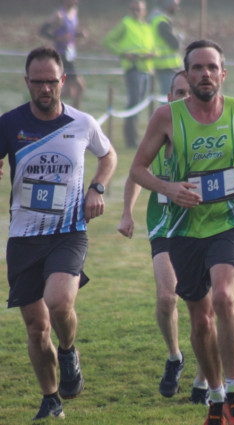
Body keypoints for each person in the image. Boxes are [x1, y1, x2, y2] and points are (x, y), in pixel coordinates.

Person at [129, 39, 234, 425]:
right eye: (197, 68)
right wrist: (169, 188)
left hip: (230, 220)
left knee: (224, 297)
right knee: (200, 320)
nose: (205, 74)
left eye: (212, 67)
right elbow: (138, 169)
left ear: (223, 74)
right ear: (187, 74)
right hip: (184, 227)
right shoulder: (166, 117)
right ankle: (214, 398)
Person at [0, 46, 117, 421]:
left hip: (68, 231)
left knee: (59, 302)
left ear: (63, 80)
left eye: (52, 81)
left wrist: (97, 187)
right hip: (23, 237)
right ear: (27, 82)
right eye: (38, 82)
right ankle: (51, 400)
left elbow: (108, 155)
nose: (45, 88)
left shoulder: (82, 123)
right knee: (36, 328)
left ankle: (68, 351)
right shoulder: (9, 123)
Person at [118, 70, 209, 404]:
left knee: (205, 307)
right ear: (169, 98)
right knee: (167, 296)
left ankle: (203, 380)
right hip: (165, 225)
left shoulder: (206, 135)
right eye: (179, 92)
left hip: (203, 225)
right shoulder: (159, 131)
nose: (185, 97)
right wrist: (127, 213)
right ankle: (175, 357)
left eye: (190, 92)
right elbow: (135, 173)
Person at [103, 1, 155, 149]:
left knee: (140, 103)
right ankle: (131, 139)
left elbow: (151, 46)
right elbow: (107, 41)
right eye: (133, 9)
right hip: (133, 69)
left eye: (139, 9)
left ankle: (136, 137)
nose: (136, 12)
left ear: (144, 11)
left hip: (146, 69)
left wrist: (152, 54)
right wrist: (123, 54)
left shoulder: (147, 27)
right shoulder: (126, 24)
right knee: (134, 103)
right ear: (129, 10)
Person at [39, 0, 86, 109]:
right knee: (80, 87)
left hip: (70, 55)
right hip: (62, 55)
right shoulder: (58, 15)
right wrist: (57, 38)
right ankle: (74, 117)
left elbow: (70, 32)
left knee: (69, 92)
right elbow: (42, 31)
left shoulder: (74, 12)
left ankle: (40, 101)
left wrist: (78, 34)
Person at [149, 0, 183, 98]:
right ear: (168, 5)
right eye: (175, 5)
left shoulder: (155, 19)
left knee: (168, 96)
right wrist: (179, 38)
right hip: (167, 65)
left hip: (163, 65)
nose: (177, 8)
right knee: (168, 96)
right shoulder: (162, 22)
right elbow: (175, 44)